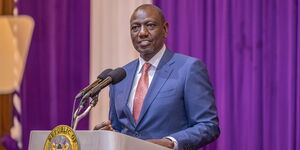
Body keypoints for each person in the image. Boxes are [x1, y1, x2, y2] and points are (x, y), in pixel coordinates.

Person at [94, 4, 220, 150]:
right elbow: (118, 128)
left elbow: (208, 125)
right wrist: (108, 135)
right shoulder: (120, 76)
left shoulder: (188, 68)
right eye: (135, 27)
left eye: (150, 25)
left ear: (165, 29)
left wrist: (170, 142)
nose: (142, 33)